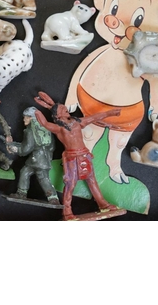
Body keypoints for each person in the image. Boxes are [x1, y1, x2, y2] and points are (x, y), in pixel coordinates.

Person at [34, 91, 121, 220]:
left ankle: (103, 204)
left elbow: (94, 117)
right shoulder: (59, 128)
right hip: (72, 159)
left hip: (84, 156)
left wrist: (110, 113)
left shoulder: (77, 122)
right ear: (57, 114)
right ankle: (67, 212)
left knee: (92, 181)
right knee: (70, 185)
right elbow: (46, 124)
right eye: (63, 109)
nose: (66, 110)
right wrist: (38, 114)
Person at [7, 107, 59, 204]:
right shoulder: (46, 128)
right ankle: (21, 193)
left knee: (43, 178)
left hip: (37, 160)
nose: (24, 119)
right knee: (25, 172)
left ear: (31, 118)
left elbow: (26, 148)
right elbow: (52, 146)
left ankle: (53, 198)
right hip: (44, 159)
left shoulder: (30, 130)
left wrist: (16, 149)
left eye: (26, 117)